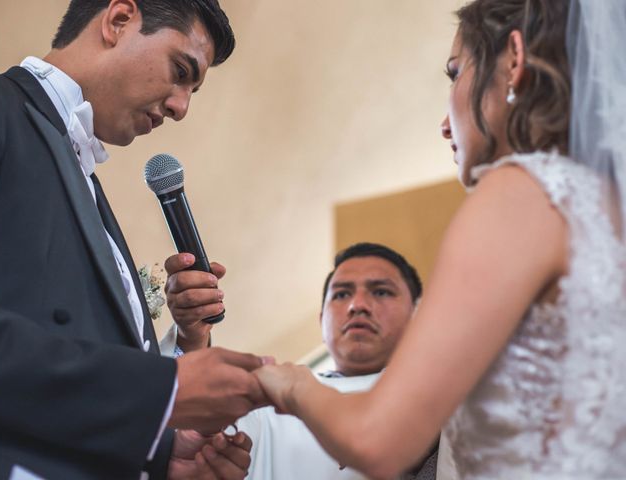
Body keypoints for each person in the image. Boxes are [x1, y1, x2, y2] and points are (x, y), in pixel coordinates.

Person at [254, 0, 626, 478]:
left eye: (455, 73)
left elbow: (378, 440)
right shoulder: (605, 209)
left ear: (514, 60)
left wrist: (290, 384)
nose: (445, 122)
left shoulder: (521, 192)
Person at [0, 1, 269, 479]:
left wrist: (159, 455)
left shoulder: (87, 182)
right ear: (118, 21)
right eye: (181, 71)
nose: (181, 108)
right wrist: (164, 392)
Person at [236, 243, 438, 480]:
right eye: (342, 294)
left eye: (381, 291)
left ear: (417, 316)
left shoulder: (445, 396)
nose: (357, 306)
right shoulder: (267, 406)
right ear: (322, 320)